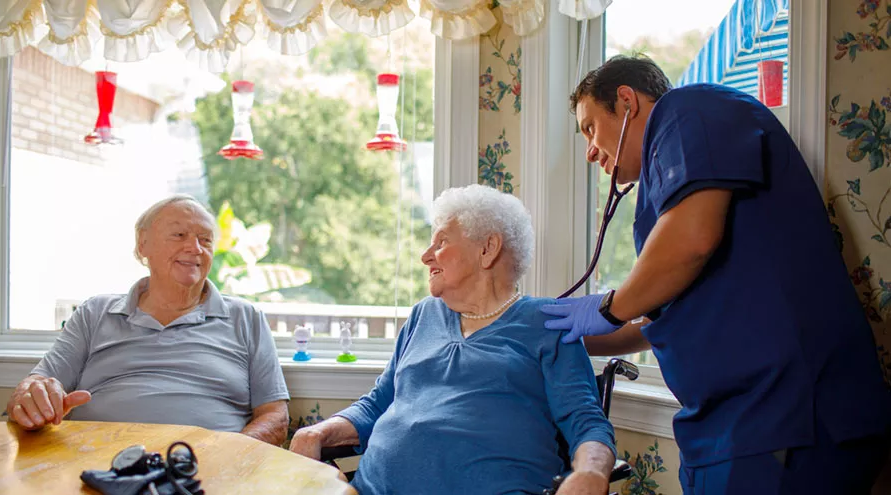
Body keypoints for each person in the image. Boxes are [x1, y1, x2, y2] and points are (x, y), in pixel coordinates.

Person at [541, 55, 891, 493]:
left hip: (781, 416)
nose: (591, 151)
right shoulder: (663, 186)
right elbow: (654, 321)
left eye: (590, 127)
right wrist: (554, 337)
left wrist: (608, 306)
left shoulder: (689, 110)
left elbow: (692, 241)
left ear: (627, 101)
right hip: (729, 427)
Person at [290, 184, 616, 495]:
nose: (426, 256)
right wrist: (318, 431)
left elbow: (586, 423)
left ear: (487, 249)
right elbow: (378, 403)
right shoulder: (423, 316)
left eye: (441, 242)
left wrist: (590, 472)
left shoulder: (548, 323)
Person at [5, 195, 290, 446]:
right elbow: (34, 386)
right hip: (95, 463)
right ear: (143, 245)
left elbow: (274, 416)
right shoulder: (95, 312)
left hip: (204, 473)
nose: (195, 248)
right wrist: (34, 399)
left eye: (205, 240)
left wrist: (235, 455)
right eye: (179, 235)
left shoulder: (246, 317)